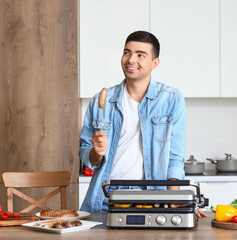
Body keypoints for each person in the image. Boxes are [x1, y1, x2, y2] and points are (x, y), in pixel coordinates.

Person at [79, 30, 207, 217]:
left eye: (141, 55)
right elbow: (86, 155)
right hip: (105, 199)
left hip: (153, 199)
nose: (131, 60)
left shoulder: (172, 99)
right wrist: (96, 153)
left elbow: (174, 157)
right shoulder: (101, 101)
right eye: (127, 52)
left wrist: (175, 199)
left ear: (155, 63)